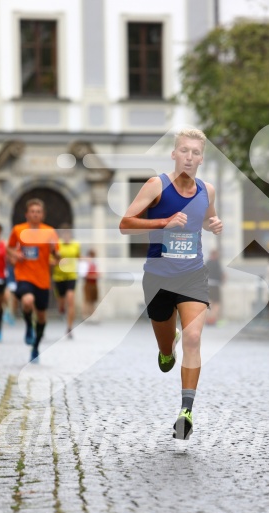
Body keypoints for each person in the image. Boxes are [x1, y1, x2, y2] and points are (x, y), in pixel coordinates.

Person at [119, 128, 223, 440]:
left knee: (193, 337)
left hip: (192, 273)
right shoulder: (156, 185)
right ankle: (167, 346)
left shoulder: (208, 190)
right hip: (158, 277)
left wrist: (213, 223)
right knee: (167, 354)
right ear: (174, 154)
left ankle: (186, 410)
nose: (189, 157)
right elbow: (125, 224)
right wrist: (163, 222)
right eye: (184, 151)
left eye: (195, 152)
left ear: (201, 158)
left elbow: (204, 217)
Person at [7, 199, 59, 362]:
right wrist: (15, 254)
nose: (35, 214)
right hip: (24, 276)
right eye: (32, 211)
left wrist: (54, 253)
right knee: (27, 301)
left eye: (38, 211)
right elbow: (9, 248)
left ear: (42, 215)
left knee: (42, 317)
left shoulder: (49, 231)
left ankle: (36, 346)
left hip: (42, 279)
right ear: (27, 214)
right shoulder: (18, 229)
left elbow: (57, 257)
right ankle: (29, 326)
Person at [52, 224, 81, 338]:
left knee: (70, 299)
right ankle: (61, 309)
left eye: (68, 234)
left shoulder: (76, 245)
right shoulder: (57, 245)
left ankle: (69, 328)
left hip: (71, 276)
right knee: (61, 303)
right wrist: (58, 262)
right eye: (64, 234)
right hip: (58, 276)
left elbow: (78, 256)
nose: (67, 236)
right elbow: (51, 260)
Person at [205, 249, 224, 325]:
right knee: (216, 303)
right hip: (215, 285)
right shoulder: (217, 263)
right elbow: (221, 275)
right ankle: (213, 319)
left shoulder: (207, 262)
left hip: (208, 285)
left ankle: (208, 319)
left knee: (209, 303)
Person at [82, 249, 99, 319]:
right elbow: (84, 275)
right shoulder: (85, 264)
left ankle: (92, 315)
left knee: (93, 300)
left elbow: (98, 274)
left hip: (94, 284)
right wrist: (93, 276)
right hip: (88, 283)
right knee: (87, 300)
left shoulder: (94, 264)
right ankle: (85, 315)